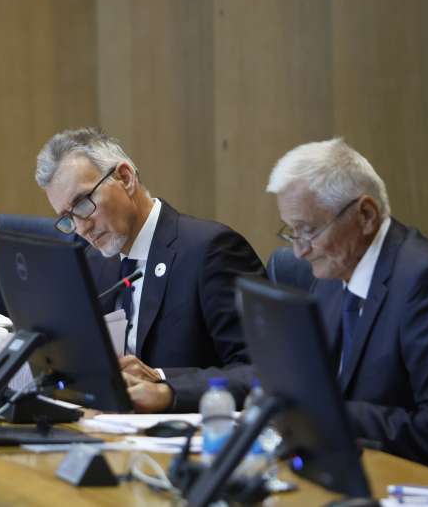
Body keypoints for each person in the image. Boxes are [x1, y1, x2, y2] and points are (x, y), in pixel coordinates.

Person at [266, 137, 428, 475]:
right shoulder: (333, 273)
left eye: (308, 230)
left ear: (366, 215)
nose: (299, 250)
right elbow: (305, 372)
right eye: (293, 232)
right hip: (352, 469)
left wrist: (330, 413)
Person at [35, 127, 265, 412]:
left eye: (83, 203)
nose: (81, 228)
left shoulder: (211, 251)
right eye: (67, 218)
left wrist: (164, 383)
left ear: (125, 178)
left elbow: (262, 372)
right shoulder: (93, 262)